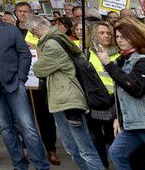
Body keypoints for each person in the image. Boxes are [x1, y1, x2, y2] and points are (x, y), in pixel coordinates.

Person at [0, 0, 50, 170]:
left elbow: (24, 54)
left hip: (14, 83)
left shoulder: (10, 29)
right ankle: (19, 165)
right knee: (5, 128)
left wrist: (20, 78)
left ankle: (41, 165)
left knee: (27, 127)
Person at [27, 15, 105, 170]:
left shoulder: (52, 44)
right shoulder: (59, 38)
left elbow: (38, 69)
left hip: (68, 99)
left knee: (83, 149)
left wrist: (38, 64)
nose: (33, 35)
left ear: (35, 29)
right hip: (63, 97)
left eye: (32, 32)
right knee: (73, 147)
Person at [16, 1, 62, 166]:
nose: (22, 14)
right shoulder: (11, 30)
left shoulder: (37, 30)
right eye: (19, 11)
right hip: (21, 80)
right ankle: (33, 149)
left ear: (31, 13)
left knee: (44, 116)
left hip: (40, 79)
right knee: (25, 119)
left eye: (25, 11)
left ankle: (51, 149)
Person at [100, 16, 145, 169]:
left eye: (124, 37)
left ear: (134, 37)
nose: (119, 40)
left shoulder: (141, 60)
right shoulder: (121, 60)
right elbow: (119, 94)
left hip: (142, 122)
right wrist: (117, 117)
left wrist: (108, 65)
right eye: (117, 36)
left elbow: (135, 88)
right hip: (131, 124)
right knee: (116, 152)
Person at [86, 21, 119, 167]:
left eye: (108, 33)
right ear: (94, 35)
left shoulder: (118, 52)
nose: (106, 35)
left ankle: (118, 163)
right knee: (96, 136)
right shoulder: (87, 53)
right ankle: (103, 165)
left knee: (114, 136)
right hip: (94, 101)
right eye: (102, 33)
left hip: (114, 101)